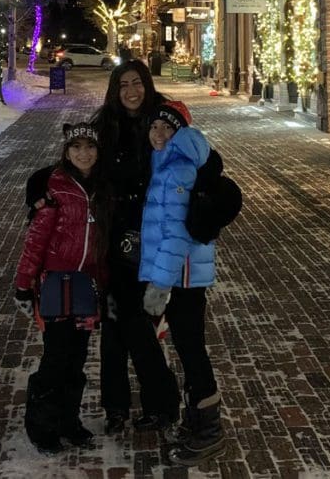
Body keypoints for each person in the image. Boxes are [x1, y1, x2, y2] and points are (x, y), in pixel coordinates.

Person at [92, 60, 181, 433]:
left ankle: (161, 402)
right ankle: (118, 405)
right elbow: (74, 165)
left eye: (137, 83)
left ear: (147, 85)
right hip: (113, 240)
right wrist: (38, 189)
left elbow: (193, 159)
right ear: (115, 90)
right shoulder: (104, 127)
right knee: (114, 324)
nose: (131, 91)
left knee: (138, 323)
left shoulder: (163, 122)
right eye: (124, 84)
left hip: (151, 240)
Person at [139, 100, 226, 466]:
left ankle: (209, 431)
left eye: (167, 127)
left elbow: (176, 233)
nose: (158, 133)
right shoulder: (167, 161)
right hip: (181, 276)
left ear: (180, 132)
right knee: (188, 347)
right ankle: (197, 420)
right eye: (154, 126)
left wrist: (160, 284)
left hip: (183, 278)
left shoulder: (178, 168)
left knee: (192, 350)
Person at [13, 123, 109, 454]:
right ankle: (42, 425)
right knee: (56, 357)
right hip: (55, 285)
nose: (84, 153)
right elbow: (35, 241)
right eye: (76, 147)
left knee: (77, 358)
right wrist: (23, 285)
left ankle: (69, 420)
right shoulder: (54, 189)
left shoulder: (102, 188)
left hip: (85, 288)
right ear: (66, 152)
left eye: (90, 147)